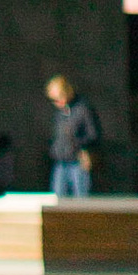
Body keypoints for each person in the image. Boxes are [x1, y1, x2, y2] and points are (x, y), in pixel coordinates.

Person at [44, 70, 100, 199]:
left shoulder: (83, 108)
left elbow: (93, 134)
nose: (57, 103)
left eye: (58, 99)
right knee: (57, 197)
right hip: (60, 161)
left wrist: (79, 144)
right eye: (53, 100)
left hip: (78, 161)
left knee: (81, 198)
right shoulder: (60, 113)